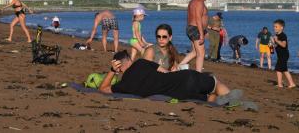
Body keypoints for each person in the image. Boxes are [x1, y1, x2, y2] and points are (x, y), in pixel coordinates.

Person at [99, 50, 243, 105]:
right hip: (183, 77)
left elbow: (103, 89)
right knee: (215, 82)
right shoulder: (141, 62)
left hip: (180, 94)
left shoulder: (124, 86)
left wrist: (112, 71)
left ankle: (222, 102)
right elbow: (165, 72)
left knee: (208, 98)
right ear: (130, 60)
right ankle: (233, 100)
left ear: (119, 66)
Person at [180, 0, 210, 72]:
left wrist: (205, 31)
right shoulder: (199, 2)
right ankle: (198, 74)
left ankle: (178, 66)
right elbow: (198, 18)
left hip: (191, 28)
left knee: (195, 52)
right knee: (201, 53)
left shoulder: (193, 0)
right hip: (196, 29)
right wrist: (201, 34)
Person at [272, 19, 296, 89]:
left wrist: (276, 40)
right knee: (284, 70)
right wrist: (273, 44)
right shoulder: (276, 35)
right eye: (274, 26)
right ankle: (291, 83)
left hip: (284, 55)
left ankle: (281, 84)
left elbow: (284, 45)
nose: (274, 28)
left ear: (281, 27)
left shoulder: (283, 35)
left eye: (276, 27)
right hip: (280, 55)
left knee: (279, 69)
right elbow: (277, 45)